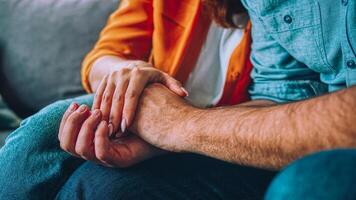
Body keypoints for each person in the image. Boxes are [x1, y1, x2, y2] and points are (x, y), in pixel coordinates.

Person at [1, 0, 356, 199]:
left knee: (99, 189)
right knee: (37, 138)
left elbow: (277, 101)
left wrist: (175, 125)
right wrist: (133, 75)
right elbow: (102, 57)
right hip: (157, 112)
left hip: (223, 125)